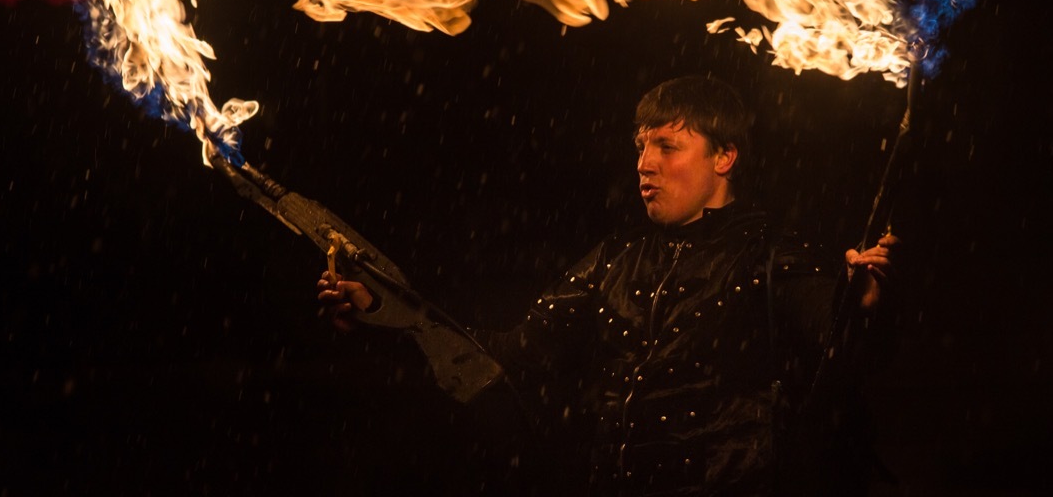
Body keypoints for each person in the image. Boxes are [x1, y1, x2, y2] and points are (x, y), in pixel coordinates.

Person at [318, 75, 899, 495]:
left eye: (667, 146)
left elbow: (845, 359)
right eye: (640, 146)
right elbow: (510, 355)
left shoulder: (774, 258)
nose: (644, 163)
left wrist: (863, 307)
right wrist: (385, 310)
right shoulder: (615, 259)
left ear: (724, 158)